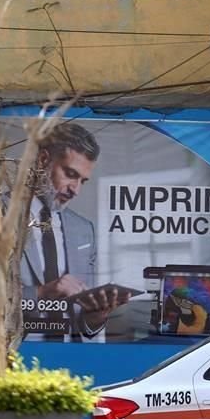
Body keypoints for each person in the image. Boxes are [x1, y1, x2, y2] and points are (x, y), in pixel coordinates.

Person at [16, 123, 129, 340]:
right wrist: (41, 293)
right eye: (70, 174)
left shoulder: (83, 230)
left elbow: (83, 325)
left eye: (82, 181)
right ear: (43, 160)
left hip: (71, 359)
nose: (75, 189)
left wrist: (95, 316)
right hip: (11, 358)